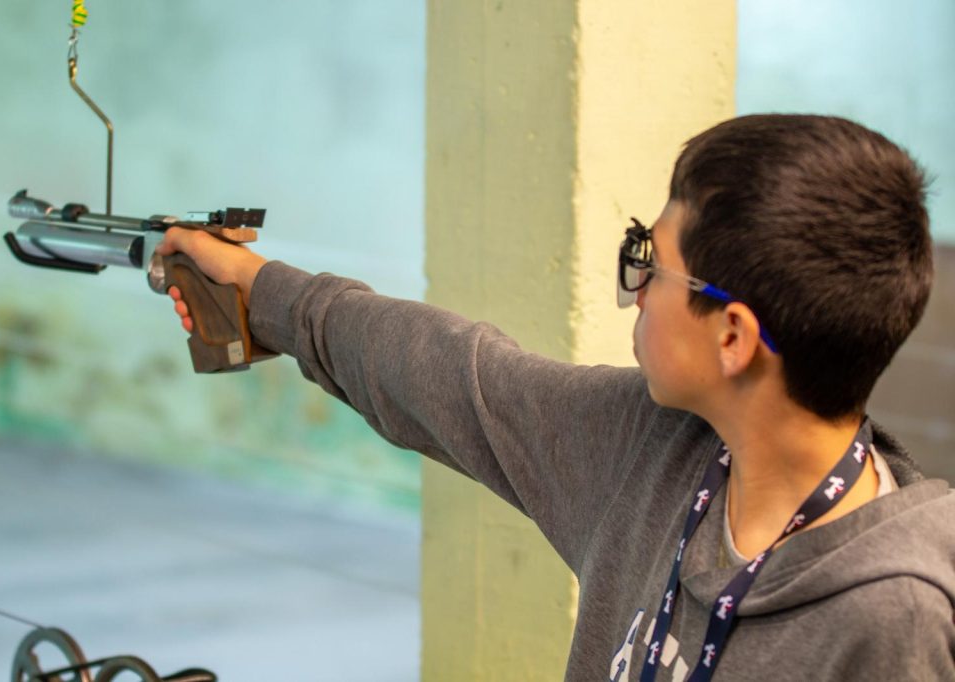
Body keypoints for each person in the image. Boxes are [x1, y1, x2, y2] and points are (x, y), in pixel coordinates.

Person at [156, 114, 955, 681]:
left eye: (654, 267)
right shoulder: (655, 446)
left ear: (733, 337)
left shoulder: (895, 620)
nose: (637, 291)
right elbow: (450, 373)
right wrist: (261, 289)